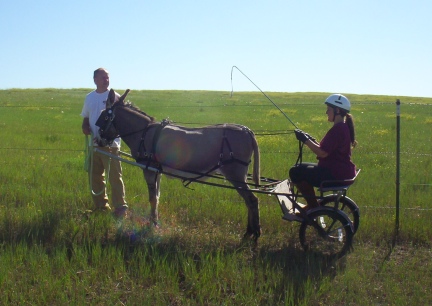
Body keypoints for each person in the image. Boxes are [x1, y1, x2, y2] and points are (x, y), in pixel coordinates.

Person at [289, 94, 357, 211]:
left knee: (295, 172)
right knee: (299, 167)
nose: (326, 112)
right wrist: (310, 139)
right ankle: (313, 205)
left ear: (337, 110)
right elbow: (326, 148)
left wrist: (305, 140)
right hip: (338, 170)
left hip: (335, 173)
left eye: (328, 109)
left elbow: (322, 153)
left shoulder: (338, 129)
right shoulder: (342, 127)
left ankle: (313, 207)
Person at [81, 68, 128, 216]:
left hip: (111, 145)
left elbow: (121, 121)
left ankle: (120, 208)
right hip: (94, 146)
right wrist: (85, 126)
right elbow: (86, 118)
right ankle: (101, 207)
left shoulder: (115, 97)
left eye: (107, 77)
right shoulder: (89, 98)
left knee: (114, 177)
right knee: (95, 176)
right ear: (95, 80)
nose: (106, 80)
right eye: (103, 78)